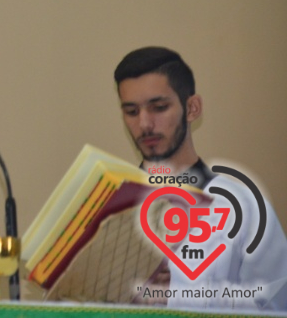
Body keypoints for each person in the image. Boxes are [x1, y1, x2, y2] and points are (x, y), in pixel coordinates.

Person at [114, 46, 287, 311]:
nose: (145, 124)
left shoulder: (245, 209)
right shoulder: (106, 209)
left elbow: (277, 308)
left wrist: (179, 291)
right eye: (132, 112)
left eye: (158, 107)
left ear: (192, 108)